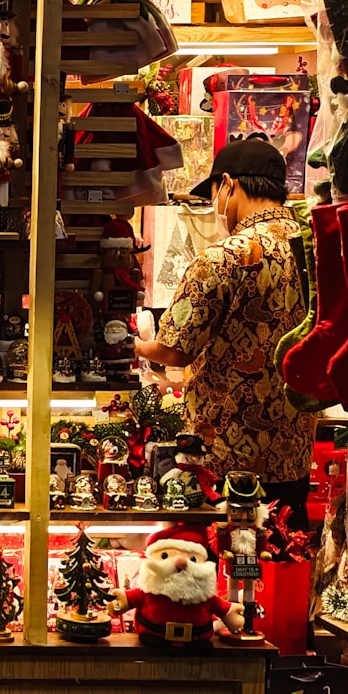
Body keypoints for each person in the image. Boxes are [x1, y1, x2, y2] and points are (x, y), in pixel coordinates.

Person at [132, 136, 317, 526]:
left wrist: (135, 346)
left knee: (222, 555)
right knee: (286, 552)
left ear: (228, 185)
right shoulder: (315, 251)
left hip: (224, 459)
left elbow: (174, 349)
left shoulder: (224, 257)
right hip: (294, 454)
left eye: (214, 192)